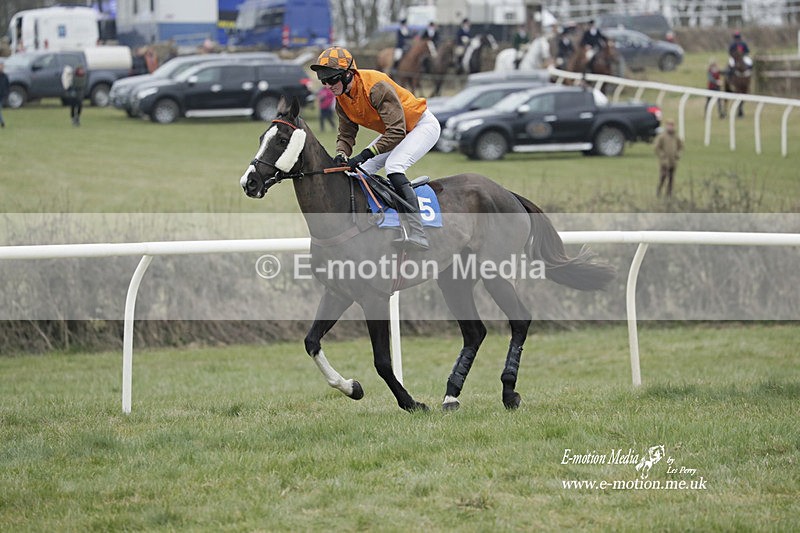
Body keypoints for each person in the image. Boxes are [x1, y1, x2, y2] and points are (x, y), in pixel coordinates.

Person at [309, 46, 441, 251]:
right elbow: (346, 134)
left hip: (421, 126)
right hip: (397, 130)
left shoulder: (376, 87)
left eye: (332, 79)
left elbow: (396, 132)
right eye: (323, 80)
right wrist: (342, 153)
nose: (328, 85)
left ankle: (418, 232)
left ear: (348, 74)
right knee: (357, 173)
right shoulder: (341, 98)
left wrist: (364, 154)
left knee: (394, 166)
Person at [654, 119, 684, 198]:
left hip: (673, 162)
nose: (670, 127)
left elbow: (681, 147)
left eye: (672, 125)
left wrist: (678, 154)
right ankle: (659, 191)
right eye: (669, 125)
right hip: (664, 162)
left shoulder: (676, 137)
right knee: (663, 177)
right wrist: (662, 155)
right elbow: (657, 147)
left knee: (671, 179)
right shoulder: (662, 137)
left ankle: (669, 194)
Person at [0, 62, 9, 128]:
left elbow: (7, 86)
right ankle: (2, 123)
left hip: (2, 96)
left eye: (2, 66)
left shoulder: (5, 76)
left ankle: (2, 122)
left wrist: (6, 95)